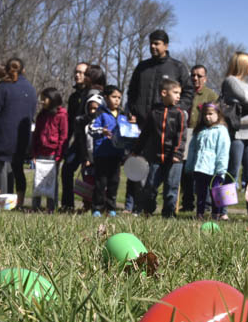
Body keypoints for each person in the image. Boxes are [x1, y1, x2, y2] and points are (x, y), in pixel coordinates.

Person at [0, 58, 37, 210]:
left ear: (6, 70)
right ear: (23, 70)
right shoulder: (31, 89)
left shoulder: (2, 87)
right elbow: (32, 113)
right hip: (21, 135)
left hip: (2, 132)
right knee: (18, 168)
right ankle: (19, 203)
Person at [133, 78, 188, 218]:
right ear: (164, 93)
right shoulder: (154, 113)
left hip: (174, 159)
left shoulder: (180, 114)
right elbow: (145, 134)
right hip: (155, 158)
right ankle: (148, 211)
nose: (178, 96)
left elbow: (181, 136)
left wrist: (177, 153)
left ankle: (168, 215)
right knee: (150, 187)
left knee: (171, 188)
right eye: (175, 92)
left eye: (179, 93)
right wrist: (136, 152)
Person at [221, 51, 248, 220]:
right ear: (242, 64)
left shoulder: (246, 83)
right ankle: (223, 211)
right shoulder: (231, 81)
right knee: (232, 171)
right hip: (237, 134)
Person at [126, 30, 194, 123]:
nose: (152, 46)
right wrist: (133, 110)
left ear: (166, 46)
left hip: (166, 124)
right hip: (141, 124)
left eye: (156, 43)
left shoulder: (178, 67)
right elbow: (132, 92)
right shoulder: (141, 67)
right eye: (151, 43)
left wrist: (175, 110)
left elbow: (188, 93)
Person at [181, 64, 220, 213]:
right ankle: (187, 202)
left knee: (202, 171)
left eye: (199, 76)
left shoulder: (210, 95)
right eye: (193, 75)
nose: (195, 78)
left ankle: (205, 204)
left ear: (205, 78)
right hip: (185, 133)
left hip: (202, 134)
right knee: (186, 171)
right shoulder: (185, 93)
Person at [185, 103, 232, 220]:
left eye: (210, 114)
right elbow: (192, 149)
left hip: (214, 169)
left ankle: (216, 214)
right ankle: (199, 214)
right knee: (200, 193)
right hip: (200, 168)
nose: (207, 117)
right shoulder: (199, 131)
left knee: (215, 193)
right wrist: (190, 165)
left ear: (218, 115)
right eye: (205, 114)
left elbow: (223, 151)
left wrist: (221, 169)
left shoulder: (221, 131)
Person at [88, 85, 124, 217]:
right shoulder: (100, 113)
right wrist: (101, 131)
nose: (117, 100)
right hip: (102, 153)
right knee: (100, 182)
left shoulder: (122, 114)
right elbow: (91, 129)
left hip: (116, 154)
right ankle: (97, 207)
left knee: (114, 182)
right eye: (114, 97)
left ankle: (111, 208)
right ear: (106, 97)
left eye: (119, 98)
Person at [30, 87, 68, 212]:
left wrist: (59, 155)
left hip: (53, 154)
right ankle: (35, 206)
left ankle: (52, 207)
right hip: (41, 153)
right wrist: (34, 153)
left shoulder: (61, 115)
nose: (42, 101)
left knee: (52, 182)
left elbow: (63, 136)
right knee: (38, 180)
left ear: (52, 99)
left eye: (44, 99)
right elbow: (36, 135)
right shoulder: (41, 115)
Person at [61, 62, 91, 210]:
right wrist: (65, 143)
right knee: (66, 169)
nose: (78, 75)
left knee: (89, 174)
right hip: (77, 141)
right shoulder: (73, 97)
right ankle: (67, 205)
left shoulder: (92, 94)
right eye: (76, 72)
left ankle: (91, 206)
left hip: (90, 142)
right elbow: (70, 123)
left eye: (82, 72)